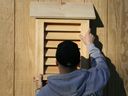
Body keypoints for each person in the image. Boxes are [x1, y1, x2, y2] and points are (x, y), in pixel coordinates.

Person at [35, 29, 110, 96]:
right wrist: (90, 45)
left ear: (56, 62)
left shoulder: (45, 92)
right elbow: (101, 65)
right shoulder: (95, 79)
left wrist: (39, 90)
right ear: (79, 63)